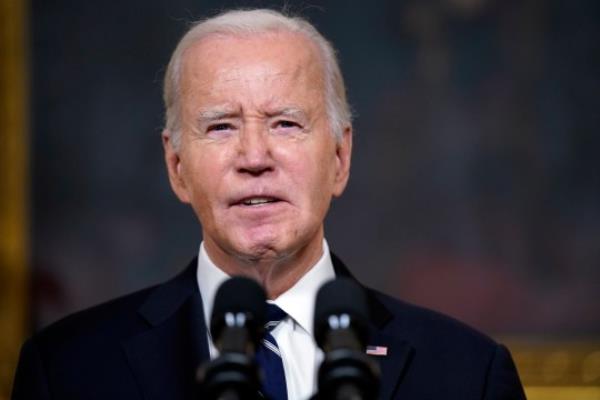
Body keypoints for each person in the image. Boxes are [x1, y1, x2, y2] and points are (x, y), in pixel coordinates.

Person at [12, 8, 525, 400]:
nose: (254, 157)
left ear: (340, 158)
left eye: (285, 123)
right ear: (177, 167)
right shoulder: (67, 370)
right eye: (220, 126)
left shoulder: (466, 373)